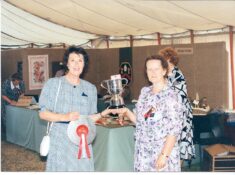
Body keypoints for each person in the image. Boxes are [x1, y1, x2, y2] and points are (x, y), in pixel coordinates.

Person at [38, 46, 111, 171]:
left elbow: (89, 119)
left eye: (80, 60)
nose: (76, 64)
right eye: (73, 60)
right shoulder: (53, 84)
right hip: (60, 142)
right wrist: (65, 117)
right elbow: (43, 113)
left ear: (84, 64)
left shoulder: (90, 88)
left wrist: (105, 112)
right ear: (67, 63)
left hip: (82, 143)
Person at [110, 55, 184, 171]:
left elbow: (174, 131)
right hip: (143, 152)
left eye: (156, 69)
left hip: (162, 152)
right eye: (149, 69)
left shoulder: (172, 96)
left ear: (164, 71)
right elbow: (140, 121)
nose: (152, 72)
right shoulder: (145, 92)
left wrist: (164, 156)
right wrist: (126, 112)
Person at [159, 47, 196, 165]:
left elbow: (178, 97)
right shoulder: (165, 74)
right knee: (171, 144)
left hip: (181, 115)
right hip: (171, 113)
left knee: (179, 144)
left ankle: (178, 169)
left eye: (164, 60)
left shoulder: (177, 75)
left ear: (170, 60)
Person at [1, 73, 25, 137]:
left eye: (19, 81)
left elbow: (22, 93)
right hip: (6, 102)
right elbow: (3, 94)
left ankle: (15, 134)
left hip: (16, 102)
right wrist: (10, 101)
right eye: (17, 82)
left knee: (16, 118)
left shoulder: (21, 82)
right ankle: (8, 136)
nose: (19, 83)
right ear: (13, 80)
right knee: (6, 118)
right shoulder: (6, 83)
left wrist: (20, 101)